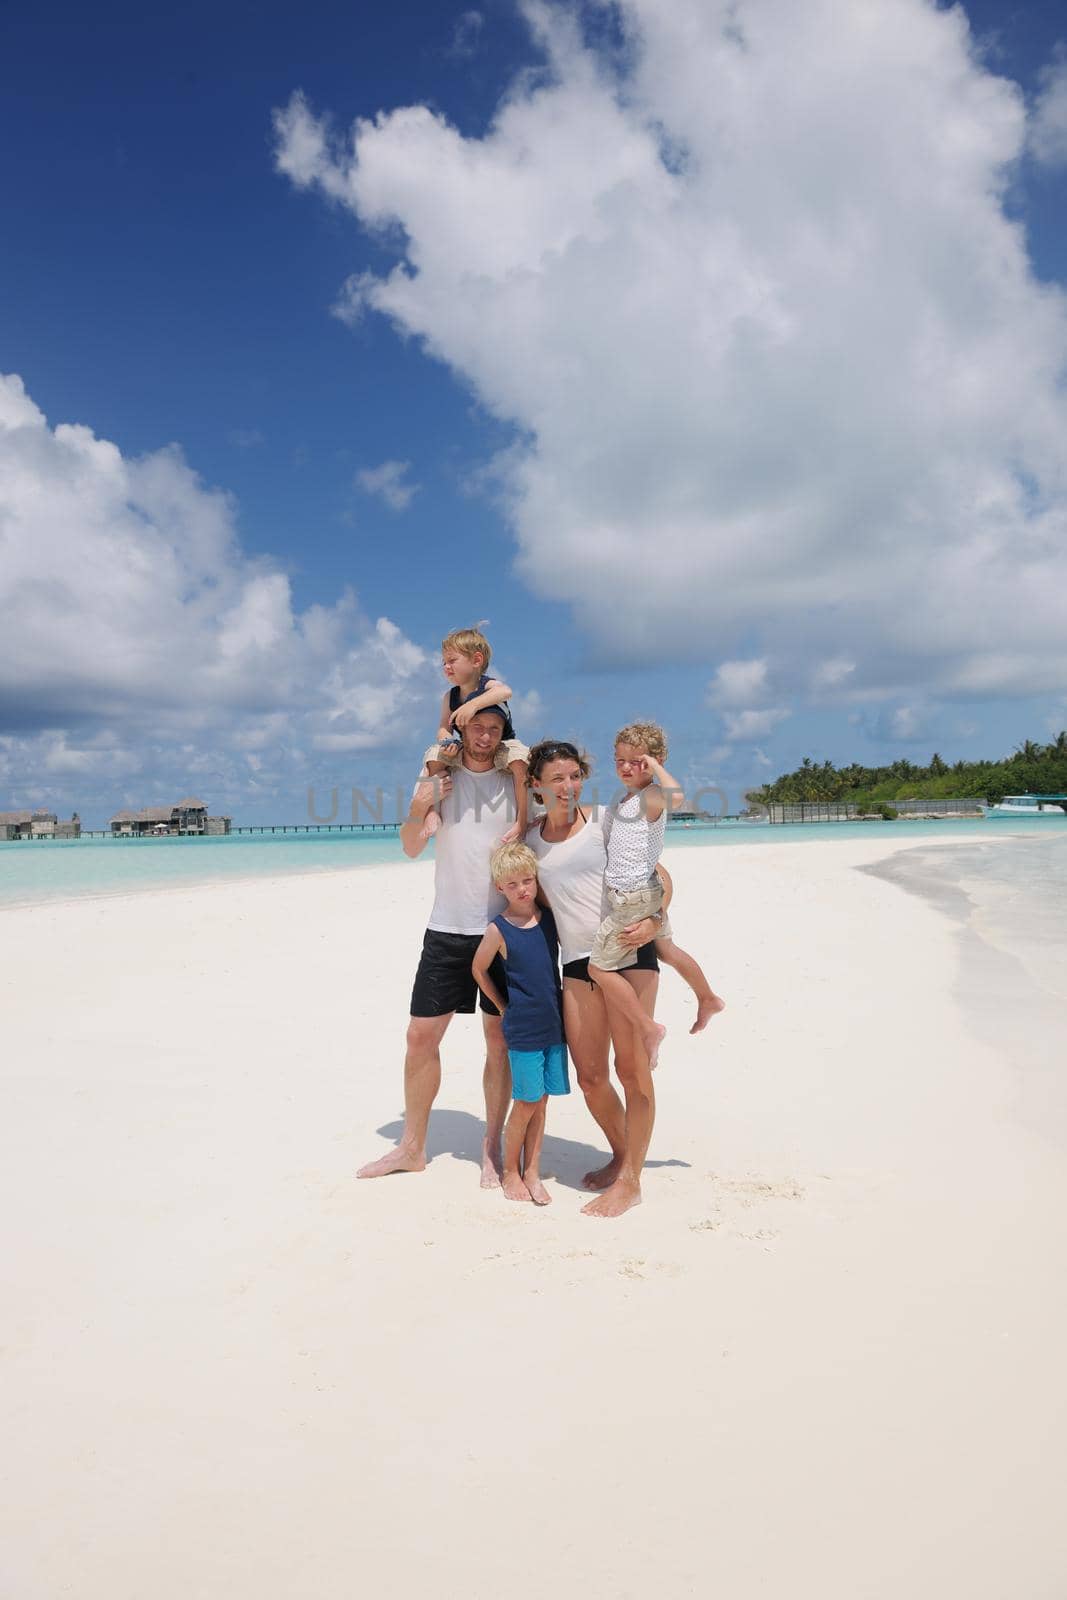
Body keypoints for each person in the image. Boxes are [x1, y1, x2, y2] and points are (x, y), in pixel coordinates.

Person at [357, 706, 514, 1187]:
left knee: (498, 1042)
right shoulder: (437, 777)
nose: (485, 735)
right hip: (446, 928)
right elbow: (409, 844)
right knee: (420, 1038)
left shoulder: (516, 782)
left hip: (501, 930)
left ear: (504, 733)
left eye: (494, 728)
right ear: (460, 729)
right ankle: (411, 1147)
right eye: (476, 726)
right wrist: (417, 806)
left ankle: (491, 1147)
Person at [589, 722, 723, 1070]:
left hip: (632, 897)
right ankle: (707, 997)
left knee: (598, 968)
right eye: (620, 760)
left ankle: (648, 1028)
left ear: (655, 761)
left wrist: (657, 769)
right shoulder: (622, 797)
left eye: (636, 761)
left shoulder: (651, 794)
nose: (626, 767)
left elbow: (677, 797)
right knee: (666, 949)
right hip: (645, 890)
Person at [471, 842, 569, 1206]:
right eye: (512, 885)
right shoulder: (498, 929)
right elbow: (478, 969)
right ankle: (510, 1169)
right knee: (525, 1100)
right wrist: (501, 1005)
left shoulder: (548, 919)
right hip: (523, 1029)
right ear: (500, 888)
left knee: (542, 1101)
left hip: (554, 1026)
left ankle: (533, 1171)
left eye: (528, 880)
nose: (522, 889)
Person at [420, 627, 529, 843]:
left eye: (452, 660)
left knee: (521, 760)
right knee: (433, 755)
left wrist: (474, 705)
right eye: (444, 662)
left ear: (476, 660)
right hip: (466, 746)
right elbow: (443, 727)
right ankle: (432, 810)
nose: (446, 667)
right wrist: (446, 742)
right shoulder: (449, 696)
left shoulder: (487, 685)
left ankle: (522, 820)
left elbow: (505, 692)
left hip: (503, 745)